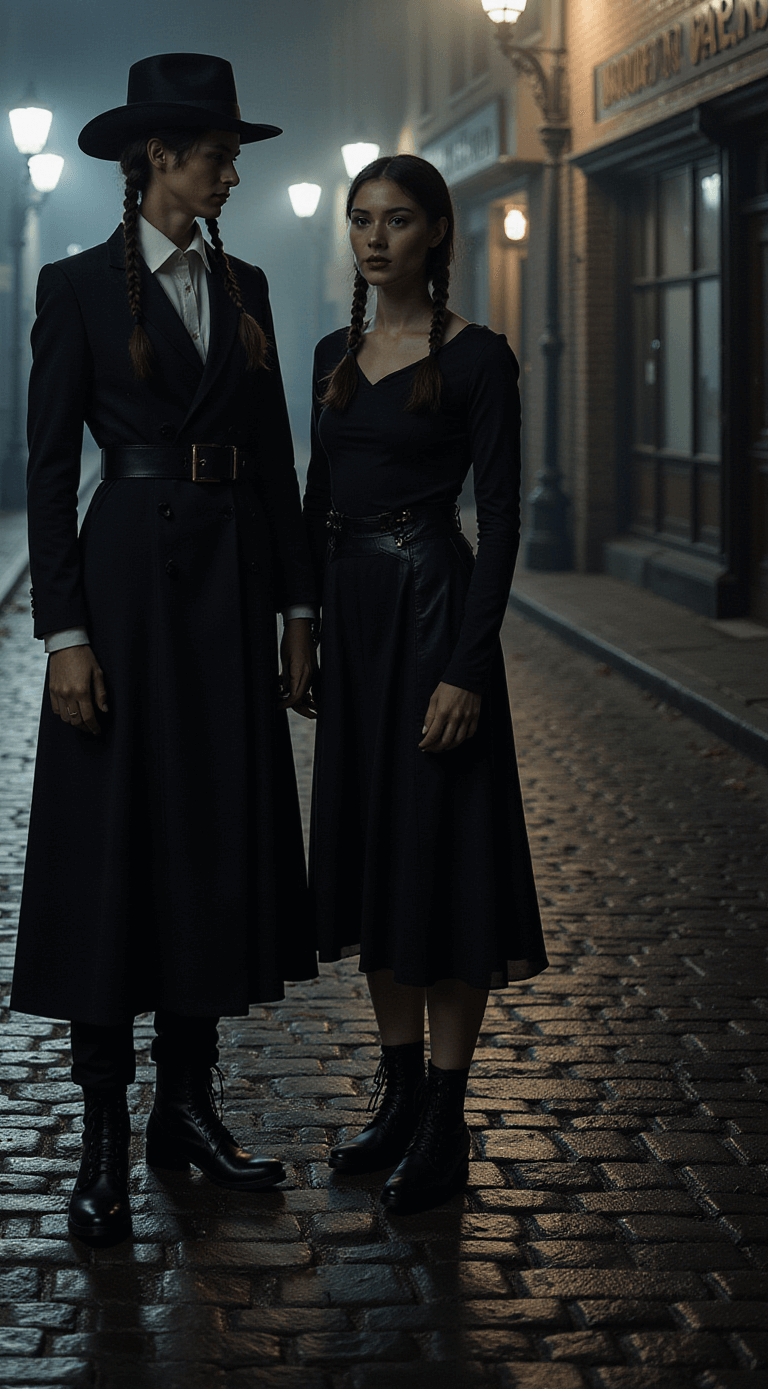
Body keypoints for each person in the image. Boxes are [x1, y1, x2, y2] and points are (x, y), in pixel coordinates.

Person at [10, 52, 317, 1246]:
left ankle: (188, 1109)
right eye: (218, 154)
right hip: (127, 597)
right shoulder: (77, 285)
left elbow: (280, 456)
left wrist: (299, 613)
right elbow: (45, 476)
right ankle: (102, 1137)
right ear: (158, 161)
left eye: (233, 155)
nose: (234, 172)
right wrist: (64, 633)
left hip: (233, 594)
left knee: (213, 851)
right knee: (112, 859)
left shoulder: (244, 284)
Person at [303, 153, 547, 1214]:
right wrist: (300, 627)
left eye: (398, 220)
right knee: (367, 851)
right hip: (351, 623)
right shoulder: (330, 355)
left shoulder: (480, 360)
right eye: (362, 219)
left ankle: (444, 1121)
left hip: (433, 610)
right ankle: (397, 1100)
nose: (375, 236)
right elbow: (317, 500)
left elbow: (499, 522)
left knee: (440, 862)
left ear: (438, 234)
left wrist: (466, 667)